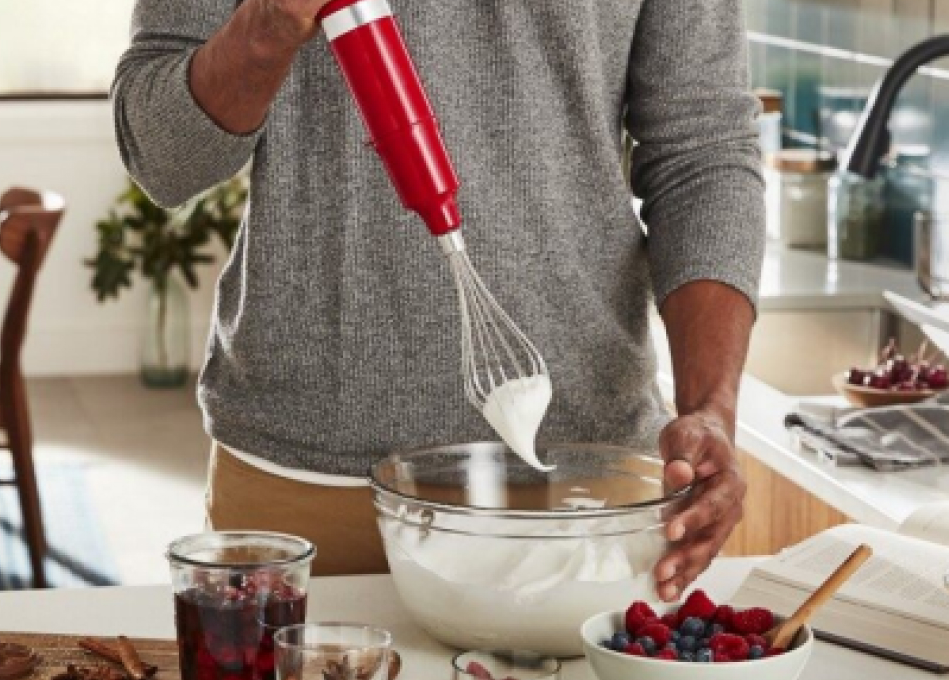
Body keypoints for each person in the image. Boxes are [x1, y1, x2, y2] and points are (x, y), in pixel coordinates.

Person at [113, 0, 764, 600]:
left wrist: (710, 408)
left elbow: (702, 150)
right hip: (308, 492)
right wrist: (265, 29)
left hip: (585, 492)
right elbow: (161, 159)